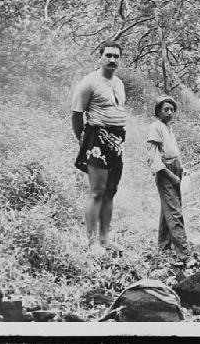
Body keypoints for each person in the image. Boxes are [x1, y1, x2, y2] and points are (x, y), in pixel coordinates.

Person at [71, 41, 126, 255]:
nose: (112, 60)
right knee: (97, 191)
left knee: (111, 191)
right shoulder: (89, 83)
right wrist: (82, 140)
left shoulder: (119, 83)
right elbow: (76, 114)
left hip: (117, 140)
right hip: (96, 138)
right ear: (100, 57)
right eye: (108, 55)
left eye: (116, 56)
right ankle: (92, 241)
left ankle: (105, 238)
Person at [147, 95, 188, 261]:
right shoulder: (155, 127)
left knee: (168, 210)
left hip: (175, 167)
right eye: (166, 109)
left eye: (172, 109)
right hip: (165, 171)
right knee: (175, 211)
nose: (169, 112)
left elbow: (173, 152)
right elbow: (153, 157)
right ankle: (184, 254)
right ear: (158, 111)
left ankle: (163, 247)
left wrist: (181, 169)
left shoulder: (167, 127)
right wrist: (170, 175)